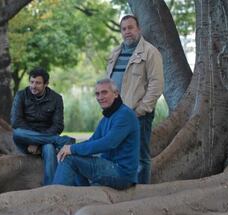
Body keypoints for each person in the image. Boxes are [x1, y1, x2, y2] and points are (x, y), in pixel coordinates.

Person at [106, 15, 164, 184]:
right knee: (116, 151)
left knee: (140, 156)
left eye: (130, 28)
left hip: (138, 115)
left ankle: (142, 192)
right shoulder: (115, 53)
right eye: (123, 29)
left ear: (139, 29)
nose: (127, 32)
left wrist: (140, 110)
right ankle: (124, 189)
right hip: (115, 115)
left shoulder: (150, 52)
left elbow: (156, 85)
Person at [52, 79, 139, 190]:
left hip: (122, 173)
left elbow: (108, 143)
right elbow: (92, 141)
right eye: (97, 94)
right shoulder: (107, 117)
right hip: (109, 166)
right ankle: (84, 196)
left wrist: (72, 149)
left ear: (116, 94)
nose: (100, 97)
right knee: (69, 154)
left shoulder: (125, 115)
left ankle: (54, 196)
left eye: (104, 92)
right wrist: (68, 149)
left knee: (69, 158)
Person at [11, 67, 75, 185]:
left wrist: (38, 142)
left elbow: (58, 125)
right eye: (32, 82)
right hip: (26, 141)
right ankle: (60, 141)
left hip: (45, 140)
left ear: (46, 84)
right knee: (17, 132)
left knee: (49, 147)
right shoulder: (21, 95)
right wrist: (32, 140)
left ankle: (51, 187)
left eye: (38, 83)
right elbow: (16, 121)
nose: (34, 86)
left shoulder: (56, 99)